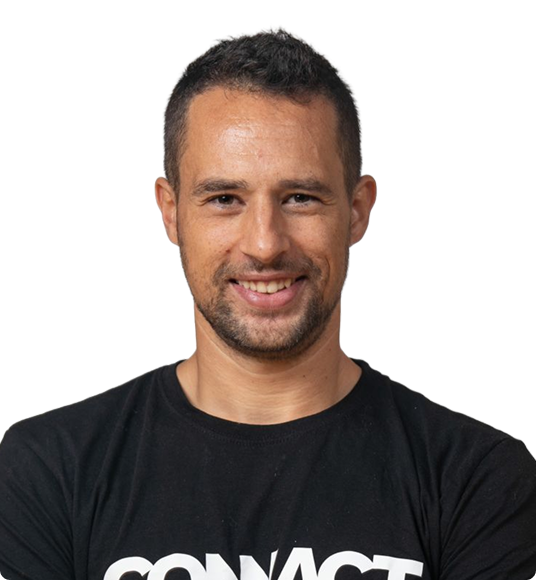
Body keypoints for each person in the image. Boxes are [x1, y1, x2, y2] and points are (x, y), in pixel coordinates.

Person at [0, 29, 535, 580]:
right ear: (171, 212)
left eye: (300, 197)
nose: (264, 244)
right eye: (224, 199)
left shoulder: (478, 480)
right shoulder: (50, 472)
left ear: (356, 210)